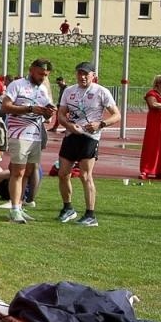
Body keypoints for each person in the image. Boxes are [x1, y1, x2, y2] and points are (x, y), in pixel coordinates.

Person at [54, 61, 119, 227]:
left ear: (93, 76)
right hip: (71, 136)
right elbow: (61, 114)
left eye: (86, 74)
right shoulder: (69, 91)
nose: (82, 77)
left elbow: (116, 115)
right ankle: (68, 208)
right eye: (80, 73)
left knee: (85, 175)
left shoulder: (101, 92)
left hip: (90, 138)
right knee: (63, 173)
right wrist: (68, 125)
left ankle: (91, 215)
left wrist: (100, 124)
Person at [0, 58, 54, 223]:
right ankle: (14, 209)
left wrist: (49, 112)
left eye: (45, 75)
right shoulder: (17, 85)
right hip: (19, 134)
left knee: (28, 172)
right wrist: (29, 108)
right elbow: (5, 106)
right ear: (31, 70)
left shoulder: (43, 89)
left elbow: (47, 112)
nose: (42, 77)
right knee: (18, 172)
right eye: (40, 74)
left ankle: (20, 206)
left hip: (35, 135)